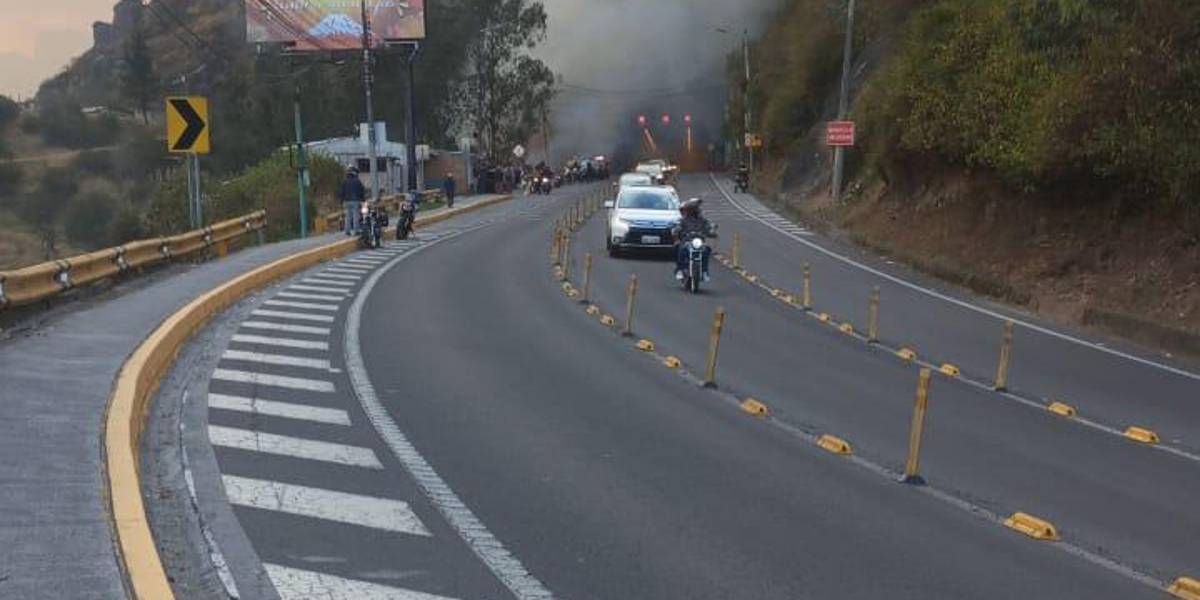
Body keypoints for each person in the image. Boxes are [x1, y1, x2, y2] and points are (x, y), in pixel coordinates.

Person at [673, 198, 716, 282]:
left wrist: (712, 231)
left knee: (706, 250)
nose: (695, 211)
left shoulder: (703, 220)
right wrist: (676, 230)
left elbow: (709, 227)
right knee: (679, 248)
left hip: (699, 242)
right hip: (687, 242)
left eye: (696, 209)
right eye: (693, 209)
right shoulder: (683, 220)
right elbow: (677, 228)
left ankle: (704, 271)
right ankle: (680, 270)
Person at [340, 167, 367, 235]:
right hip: (355, 200)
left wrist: (341, 200)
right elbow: (362, 191)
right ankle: (356, 230)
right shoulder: (357, 181)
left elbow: (342, 192)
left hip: (346, 201)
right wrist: (363, 199)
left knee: (348, 216)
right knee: (355, 215)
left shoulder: (345, 181)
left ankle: (347, 230)